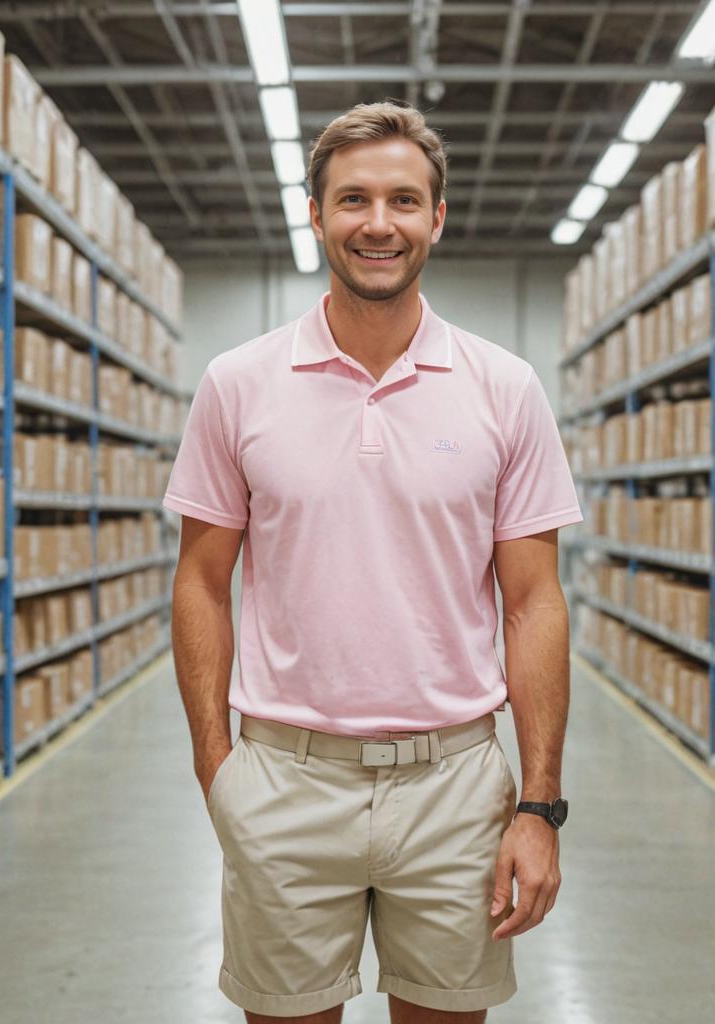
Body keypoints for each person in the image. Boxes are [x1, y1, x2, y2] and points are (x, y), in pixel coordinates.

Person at [164, 101, 582, 1024]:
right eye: (353, 199)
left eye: (403, 199)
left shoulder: (504, 388)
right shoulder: (239, 382)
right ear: (315, 215)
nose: (378, 223)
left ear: (438, 216)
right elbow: (200, 582)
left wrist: (539, 807)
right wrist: (216, 770)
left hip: (455, 789)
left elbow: (534, 602)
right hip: (284, 779)